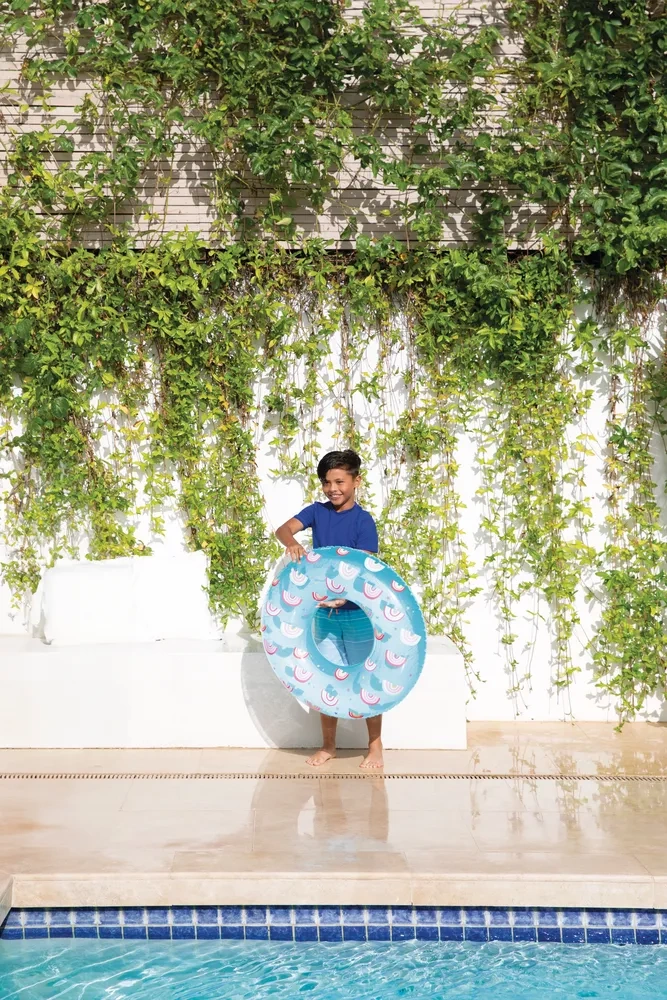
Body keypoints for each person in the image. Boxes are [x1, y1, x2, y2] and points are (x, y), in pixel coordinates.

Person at [275, 449, 383, 769]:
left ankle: (375, 746)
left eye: (339, 481)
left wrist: (345, 596)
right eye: (326, 482)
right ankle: (329, 746)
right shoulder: (317, 512)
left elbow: (362, 569)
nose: (332, 488)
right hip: (324, 614)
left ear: (356, 481)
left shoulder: (363, 521)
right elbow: (283, 529)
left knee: (367, 678)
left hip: (358, 615)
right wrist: (292, 543)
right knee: (327, 678)